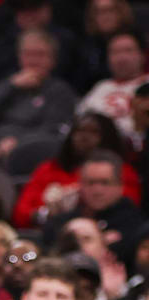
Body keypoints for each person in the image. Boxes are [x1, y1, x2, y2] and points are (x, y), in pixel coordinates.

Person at [12, 112, 140, 229]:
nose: (84, 137)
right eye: (79, 131)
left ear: (107, 137)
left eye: (94, 132)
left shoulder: (122, 171)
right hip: (50, 232)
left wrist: (78, 198)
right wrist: (46, 213)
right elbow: (20, 214)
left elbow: (129, 208)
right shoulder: (48, 169)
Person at [0, 27, 78, 161]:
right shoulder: (8, 84)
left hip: (32, 155)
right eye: (28, 54)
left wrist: (18, 142)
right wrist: (10, 86)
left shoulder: (61, 92)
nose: (33, 61)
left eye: (40, 54)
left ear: (53, 59)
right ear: (19, 57)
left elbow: (52, 130)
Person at [43, 150, 146, 269]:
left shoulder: (135, 223)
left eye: (105, 183)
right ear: (80, 184)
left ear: (120, 186)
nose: (97, 191)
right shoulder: (63, 219)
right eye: (91, 183)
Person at [77, 30, 149, 143]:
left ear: (142, 55)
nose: (121, 58)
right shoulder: (101, 87)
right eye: (115, 52)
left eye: (128, 50)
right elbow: (79, 120)